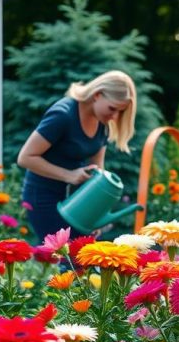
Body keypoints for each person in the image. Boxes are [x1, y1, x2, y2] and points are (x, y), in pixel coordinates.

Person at [17, 70, 138, 242]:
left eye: (120, 111)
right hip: (43, 197)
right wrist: (69, 175)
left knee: (80, 261)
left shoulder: (102, 123)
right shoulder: (62, 115)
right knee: (62, 259)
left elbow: (98, 171)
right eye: (113, 108)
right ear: (97, 95)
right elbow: (25, 157)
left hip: (77, 201)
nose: (115, 116)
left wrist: (95, 216)